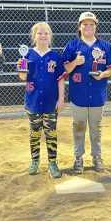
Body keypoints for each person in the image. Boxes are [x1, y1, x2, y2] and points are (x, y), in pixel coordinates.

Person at [62, 11, 111, 174]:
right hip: (78, 95)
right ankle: (78, 157)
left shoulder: (105, 46)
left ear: (95, 26)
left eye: (91, 24)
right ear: (79, 27)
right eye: (85, 24)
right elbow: (65, 68)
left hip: (97, 94)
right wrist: (75, 62)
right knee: (78, 126)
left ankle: (97, 156)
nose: (88, 27)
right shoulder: (73, 45)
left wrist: (103, 74)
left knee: (96, 127)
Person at [17, 22, 67, 178]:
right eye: (39, 33)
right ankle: (35, 161)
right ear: (34, 37)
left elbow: (60, 80)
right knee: (35, 133)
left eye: (46, 33)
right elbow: (23, 77)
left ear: (50, 36)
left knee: (51, 133)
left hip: (51, 102)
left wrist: (61, 99)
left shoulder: (55, 57)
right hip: (33, 101)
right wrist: (21, 67)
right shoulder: (28, 55)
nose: (43, 36)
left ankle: (52, 163)